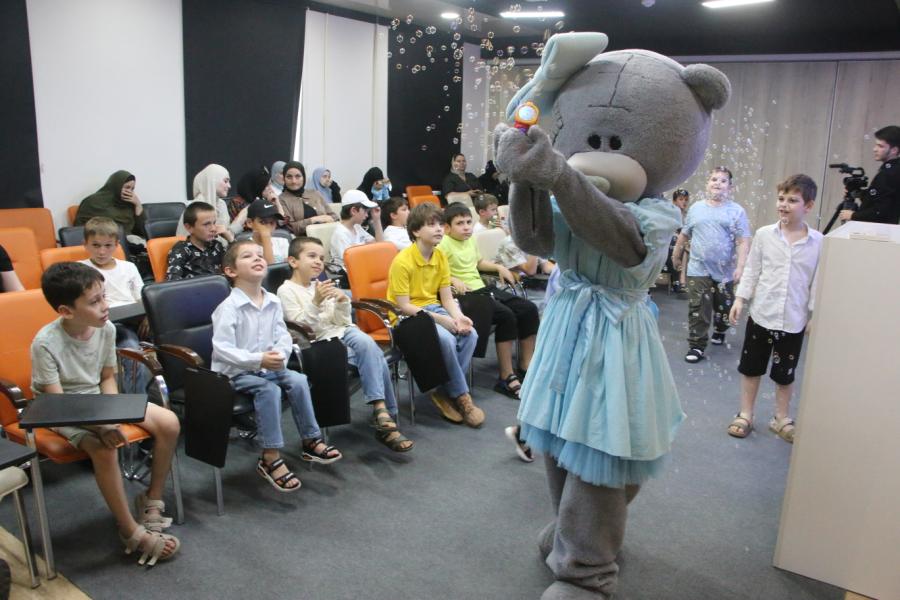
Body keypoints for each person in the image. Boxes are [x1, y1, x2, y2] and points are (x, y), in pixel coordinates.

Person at [31, 262, 181, 566]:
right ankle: (129, 529)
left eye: (103, 297)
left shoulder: (107, 328)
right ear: (66, 311)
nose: (105, 305)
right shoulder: (45, 343)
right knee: (103, 448)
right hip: (63, 409)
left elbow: (107, 378)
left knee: (169, 422)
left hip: (99, 402)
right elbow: (59, 404)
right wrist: (102, 428)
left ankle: (151, 498)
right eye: (94, 301)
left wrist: (112, 416)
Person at [211, 240, 343, 492]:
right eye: (247, 256)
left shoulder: (271, 300)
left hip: (267, 367)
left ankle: (310, 440)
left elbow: (283, 336)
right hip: (235, 373)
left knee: (298, 380)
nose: (257, 258)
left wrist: (281, 355)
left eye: (260, 255)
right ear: (230, 271)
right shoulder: (228, 308)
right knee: (268, 390)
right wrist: (258, 359)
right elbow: (222, 350)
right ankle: (270, 456)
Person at [278, 236, 414, 452]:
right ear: (293, 261)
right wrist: (316, 302)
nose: (318, 262)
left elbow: (341, 322)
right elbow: (302, 327)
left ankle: (382, 414)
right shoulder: (286, 291)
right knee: (376, 356)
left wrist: (342, 302)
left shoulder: (319, 285)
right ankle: (385, 416)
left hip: (342, 332)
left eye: (321, 258)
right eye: (312, 256)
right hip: (320, 342)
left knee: (364, 341)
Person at [727, 174, 823, 443]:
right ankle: (746, 414)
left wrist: (814, 314)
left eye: (792, 200)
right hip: (762, 315)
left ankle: (781, 417)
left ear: (808, 206)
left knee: (785, 374)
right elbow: (752, 270)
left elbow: (818, 281)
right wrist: (740, 299)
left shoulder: (818, 242)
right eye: (781, 198)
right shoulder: (764, 235)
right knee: (751, 368)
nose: (784, 204)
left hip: (793, 320)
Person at [387, 203, 483, 427]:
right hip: (406, 317)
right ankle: (462, 398)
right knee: (447, 339)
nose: (439, 229)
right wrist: (442, 320)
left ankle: (443, 391)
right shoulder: (402, 261)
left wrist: (458, 317)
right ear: (416, 231)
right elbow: (403, 306)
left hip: (433, 308)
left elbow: (447, 299)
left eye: (440, 224)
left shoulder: (439, 256)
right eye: (431, 225)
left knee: (470, 334)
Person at [438, 203, 539, 399]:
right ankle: (506, 376)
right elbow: (436, 272)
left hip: (483, 289)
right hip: (464, 295)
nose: (466, 227)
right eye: (460, 223)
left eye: (468, 222)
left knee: (528, 309)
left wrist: (499, 267)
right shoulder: (443, 245)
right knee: (506, 316)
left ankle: (526, 365)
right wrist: (452, 279)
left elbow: (479, 263)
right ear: (447, 228)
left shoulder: (470, 240)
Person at [672, 167, 751, 363]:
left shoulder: (736, 211)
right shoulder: (696, 208)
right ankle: (696, 345)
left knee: (724, 308)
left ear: (730, 187)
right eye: (714, 179)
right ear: (707, 184)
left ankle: (721, 328)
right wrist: (676, 254)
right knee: (698, 307)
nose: (718, 183)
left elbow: (743, 241)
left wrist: (741, 267)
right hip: (698, 268)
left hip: (724, 271)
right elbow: (684, 235)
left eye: (723, 181)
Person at [79, 217, 150, 394]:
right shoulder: (80, 270)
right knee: (133, 352)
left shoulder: (128, 267)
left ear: (117, 245)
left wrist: (148, 316)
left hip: (134, 319)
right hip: (104, 324)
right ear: (85, 244)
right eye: (96, 245)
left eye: (108, 245)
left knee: (171, 334)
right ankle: (134, 402)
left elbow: (142, 298)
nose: (102, 251)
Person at [473, 194, 554, 276]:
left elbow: (546, 266)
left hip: (528, 275)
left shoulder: (530, 238)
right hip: (516, 278)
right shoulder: (508, 242)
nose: (496, 213)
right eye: (493, 210)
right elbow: (530, 271)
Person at [840, 125, 900, 225]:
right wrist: (858, 193)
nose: (874, 149)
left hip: (877, 231)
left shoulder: (889, 174)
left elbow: (882, 211)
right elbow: (880, 199)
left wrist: (853, 215)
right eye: (876, 145)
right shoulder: (892, 170)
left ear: (894, 150)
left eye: (880, 146)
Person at [176, 164, 246, 241]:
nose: (229, 186)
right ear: (212, 181)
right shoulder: (196, 207)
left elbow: (224, 233)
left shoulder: (222, 204)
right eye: (225, 181)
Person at [74, 170, 146, 238]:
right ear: (116, 186)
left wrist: (138, 205)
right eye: (127, 187)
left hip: (128, 242)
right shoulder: (92, 202)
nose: (129, 191)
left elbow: (143, 231)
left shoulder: (129, 204)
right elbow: (79, 229)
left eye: (132, 189)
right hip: (101, 241)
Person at [166, 201, 227, 280]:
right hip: (195, 287)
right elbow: (173, 280)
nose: (213, 229)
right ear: (189, 227)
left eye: (214, 223)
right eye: (206, 224)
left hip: (219, 285)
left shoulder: (217, 245)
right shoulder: (181, 249)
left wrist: (230, 239)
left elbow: (234, 269)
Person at [278, 161, 338, 236]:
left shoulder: (315, 193)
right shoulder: (281, 199)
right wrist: (314, 220)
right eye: (289, 177)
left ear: (303, 177)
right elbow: (290, 227)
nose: (294, 181)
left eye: (298, 176)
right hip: (302, 240)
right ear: (284, 179)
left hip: (326, 235)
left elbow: (334, 216)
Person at [329, 190, 383, 268]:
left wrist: (377, 220)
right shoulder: (340, 233)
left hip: (363, 268)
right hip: (347, 273)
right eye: (365, 211)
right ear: (353, 211)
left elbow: (379, 246)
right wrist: (368, 248)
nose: (367, 215)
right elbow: (353, 260)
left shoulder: (357, 227)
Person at [246, 200, 291, 264]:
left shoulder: (282, 242)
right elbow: (269, 268)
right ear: (249, 223)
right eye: (263, 222)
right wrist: (266, 237)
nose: (268, 227)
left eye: (272, 222)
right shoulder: (244, 247)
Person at [665, 189, 690, 294]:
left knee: (687, 246)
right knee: (681, 247)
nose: (684, 202)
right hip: (669, 242)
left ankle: (680, 281)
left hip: (682, 243)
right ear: (674, 201)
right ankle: (679, 281)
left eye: (686, 200)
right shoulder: (670, 213)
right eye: (681, 199)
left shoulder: (688, 215)